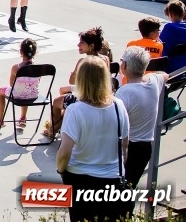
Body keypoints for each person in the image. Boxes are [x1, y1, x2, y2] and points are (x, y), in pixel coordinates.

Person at [56, 56, 132, 222]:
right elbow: (125, 145)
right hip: (112, 178)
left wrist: (61, 171)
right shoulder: (119, 106)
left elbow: (64, 152)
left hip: (80, 178)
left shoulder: (75, 110)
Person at [115, 46, 169, 188]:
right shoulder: (153, 82)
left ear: (125, 65)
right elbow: (165, 75)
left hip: (128, 147)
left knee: (118, 189)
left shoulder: (124, 92)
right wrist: (145, 76)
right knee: (130, 187)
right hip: (145, 147)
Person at [45, 27, 111, 139]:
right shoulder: (105, 59)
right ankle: (55, 127)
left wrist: (74, 72)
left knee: (56, 102)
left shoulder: (83, 62)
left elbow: (72, 81)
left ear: (91, 46)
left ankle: (52, 130)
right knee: (64, 96)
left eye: (82, 43)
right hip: (100, 96)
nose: (78, 45)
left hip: (84, 98)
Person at [0, 39, 39, 130]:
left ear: (21, 52)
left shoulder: (16, 67)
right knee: (26, 89)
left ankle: (0, 119)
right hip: (33, 95)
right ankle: (23, 118)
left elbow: (11, 84)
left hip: (18, 95)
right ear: (34, 52)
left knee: (1, 91)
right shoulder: (39, 68)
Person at [160, 0, 186, 73]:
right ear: (183, 13)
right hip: (183, 69)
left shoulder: (169, 27)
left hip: (169, 67)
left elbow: (159, 42)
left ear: (170, 14)